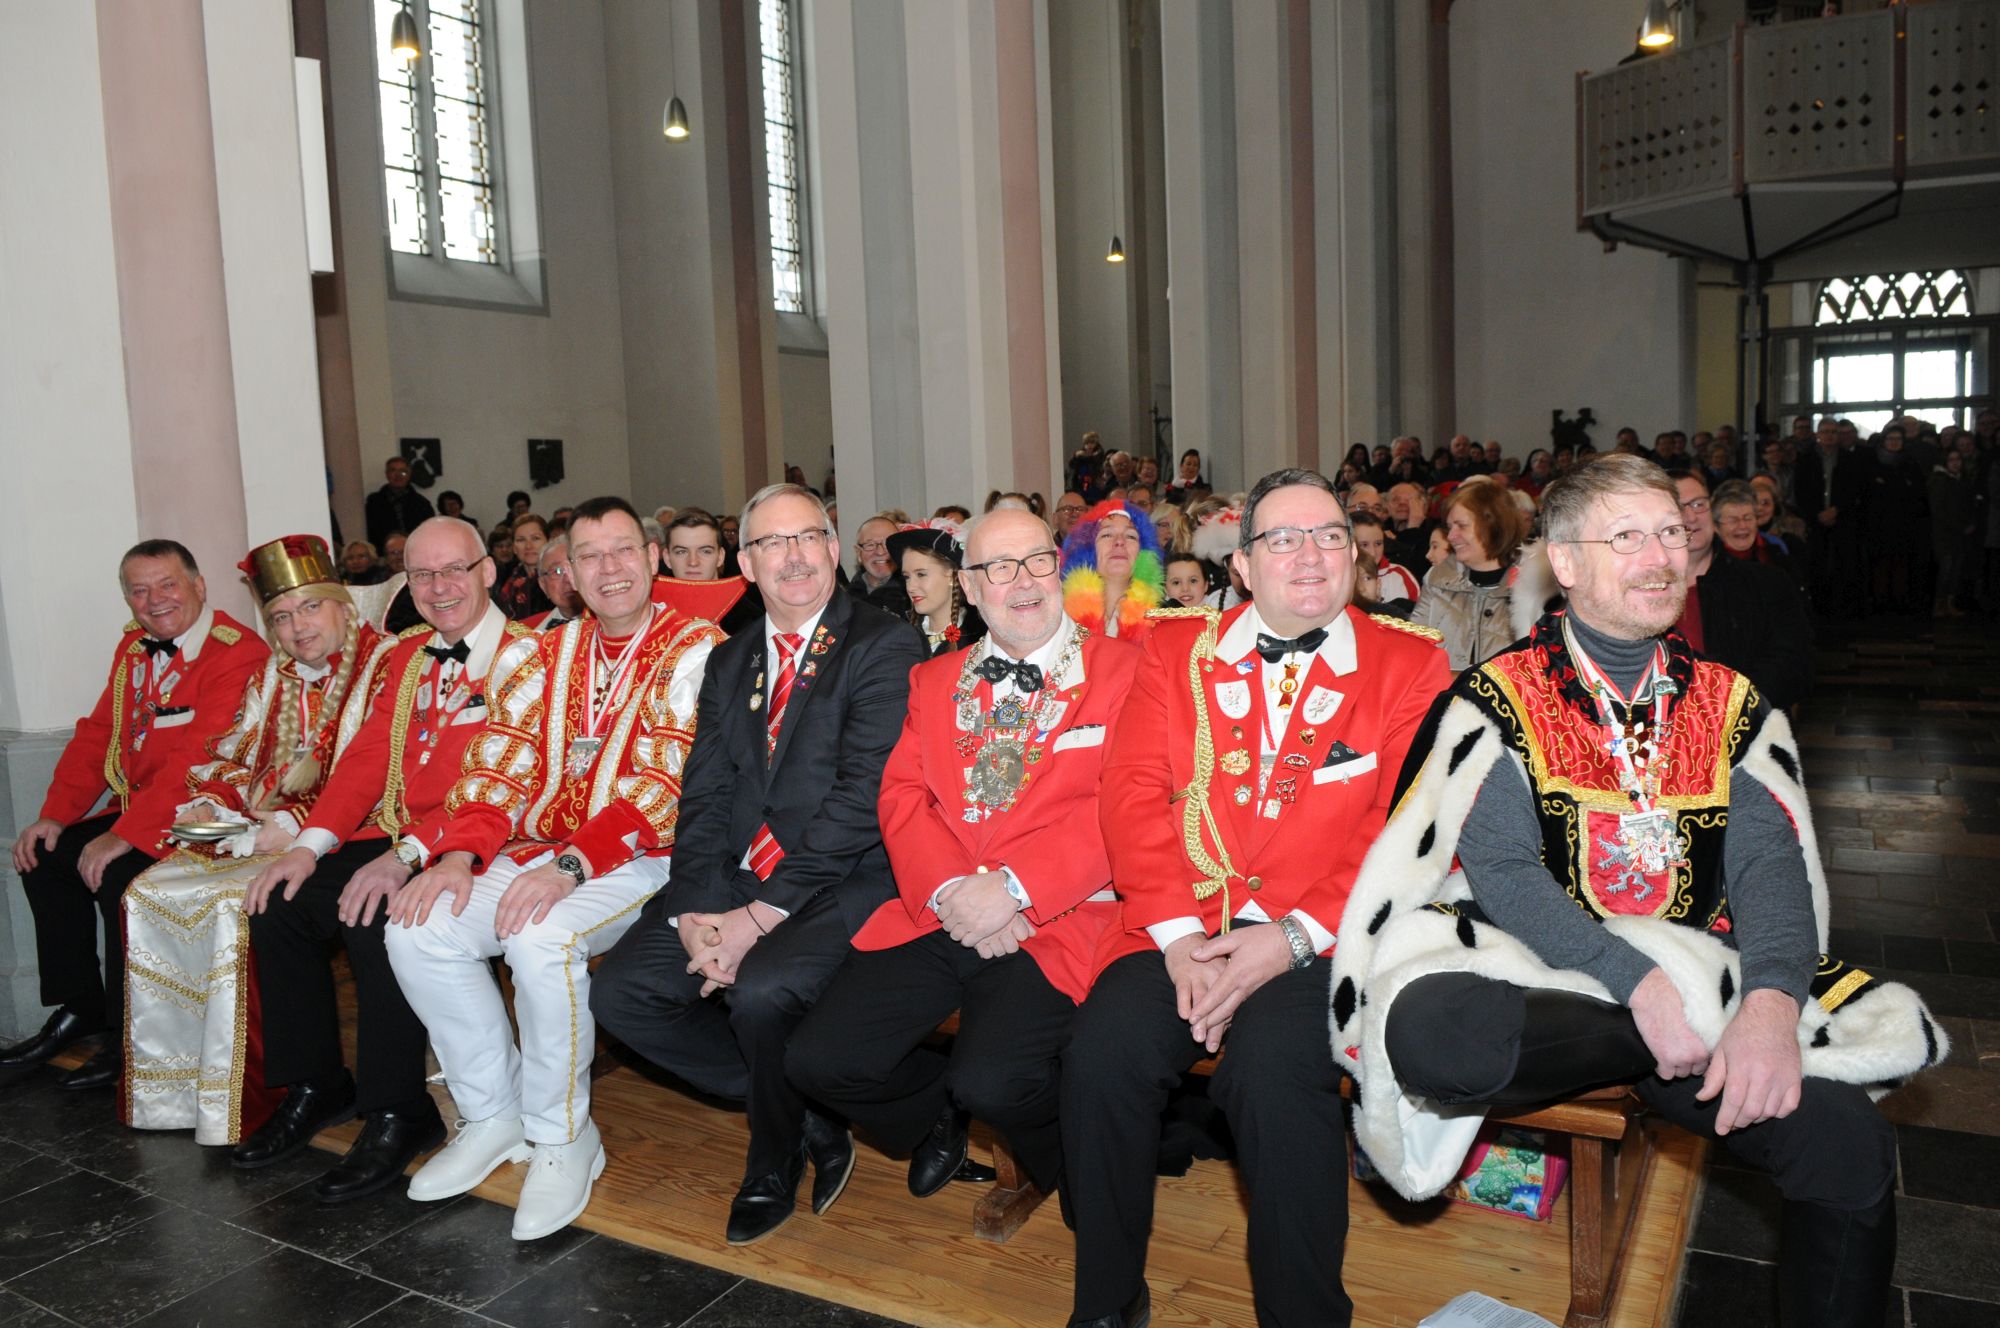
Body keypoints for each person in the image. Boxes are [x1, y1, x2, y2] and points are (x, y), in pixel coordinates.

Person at [1331, 455, 1943, 1328]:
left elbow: (1772, 869)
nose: (1661, 555)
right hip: (1552, 976)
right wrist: (1641, 988)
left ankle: (1681, 1030)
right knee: (1432, 1038)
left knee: (1850, 1144)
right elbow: (1505, 875)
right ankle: (1652, 1032)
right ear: (1567, 562)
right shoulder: (1500, 697)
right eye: (1628, 537)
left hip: (1702, 968)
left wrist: (1769, 1005)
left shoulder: (1732, 704)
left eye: (1669, 532)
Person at [1062, 468, 1452, 1328]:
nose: (1309, 555)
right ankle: (1107, 1301)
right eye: (1282, 538)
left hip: (1329, 937)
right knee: (1101, 1058)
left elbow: (1408, 827)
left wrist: (1290, 939)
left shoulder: (1411, 665)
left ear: (1354, 556)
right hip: (1181, 922)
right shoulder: (1173, 651)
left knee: (1272, 1079)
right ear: (1242, 566)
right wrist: (1172, 938)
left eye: (1328, 537)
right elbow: (1130, 792)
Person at [589, 483, 926, 1246]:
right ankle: (802, 1109)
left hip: (847, 876)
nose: (794, 556)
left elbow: (861, 799)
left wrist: (756, 918)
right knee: (623, 995)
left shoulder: (883, 644)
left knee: (761, 994)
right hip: (743, 874)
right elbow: (704, 792)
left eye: (808, 537)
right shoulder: (729, 657)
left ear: (834, 551)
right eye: (772, 544)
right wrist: (698, 911)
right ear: (745, 564)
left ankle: (769, 1158)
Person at [383, 497, 720, 1240]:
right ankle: (491, 1117)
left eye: (623, 550)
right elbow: (498, 761)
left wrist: (571, 865)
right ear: (566, 573)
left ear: (653, 559)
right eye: (590, 556)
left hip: (646, 860)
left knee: (542, 940)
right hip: (536, 854)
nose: (609, 569)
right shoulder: (544, 651)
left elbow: (667, 782)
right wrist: (459, 855)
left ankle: (564, 1137)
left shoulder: (698, 647)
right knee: (417, 927)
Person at [788, 508, 1140, 1208]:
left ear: (1062, 568)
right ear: (970, 588)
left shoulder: (1129, 671)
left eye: (1037, 560)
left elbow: (1130, 810)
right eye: (998, 568)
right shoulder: (933, 679)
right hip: (941, 909)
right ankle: (935, 1117)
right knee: (819, 1062)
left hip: (1058, 917)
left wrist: (1015, 888)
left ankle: (1069, 1161)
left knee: (995, 1083)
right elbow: (902, 797)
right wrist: (954, 888)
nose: (1023, 581)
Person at [236, 516, 526, 1201]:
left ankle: (401, 1109)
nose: (438, 587)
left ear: (487, 571)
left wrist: (406, 856)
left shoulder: (528, 656)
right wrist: (310, 847)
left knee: (375, 921)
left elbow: (511, 780)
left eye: (454, 569)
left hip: (476, 843)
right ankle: (317, 1083)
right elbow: (366, 758)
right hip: (395, 835)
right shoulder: (406, 654)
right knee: (280, 904)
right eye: (422, 574)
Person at [123, 536, 393, 1142]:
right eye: (280, 617)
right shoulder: (278, 675)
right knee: (152, 891)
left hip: (369, 833)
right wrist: (212, 804)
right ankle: (191, 1086)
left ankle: (279, 1083)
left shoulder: (388, 662)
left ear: (341, 606)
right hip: (270, 831)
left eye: (309, 609)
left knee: (263, 906)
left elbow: (383, 772)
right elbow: (235, 751)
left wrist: (298, 826)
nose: (296, 629)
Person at [5, 542, 269, 1090]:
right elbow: (98, 735)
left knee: (117, 877)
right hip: (145, 807)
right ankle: (83, 1009)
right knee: (47, 857)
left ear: (198, 587)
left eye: (167, 584)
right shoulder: (133, 649)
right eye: (139, 590)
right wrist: (55, 815)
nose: (154, 600)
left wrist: (123, 836)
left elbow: (199, 758)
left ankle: (132, 1036)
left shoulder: (235, 652)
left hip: (213, 810)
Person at [1671, 470, 1814, 712]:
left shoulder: (1768, 583)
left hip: (1747, 735)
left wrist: (1727, 707)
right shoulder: (1635, 593)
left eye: (1698, 504)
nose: (1691, 516)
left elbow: (1793, 667)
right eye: (1677, 506)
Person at [1414, 481, 1526, 672]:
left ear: (1493, 526)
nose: (1451, 536)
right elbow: (1414, 650)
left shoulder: (1535, 590)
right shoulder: (1437, 579)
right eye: (1450, 527)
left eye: (1461, 526)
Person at [1058, 499, 1165, 643]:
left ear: (1144, 553)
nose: (1119, 541)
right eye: (1107, 535)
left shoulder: (1163, 619)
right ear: (1087, 549)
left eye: (1130, 536)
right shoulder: (1060, 618)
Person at [656, 508, 760, 635]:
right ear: (667, 558)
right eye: (681, 552)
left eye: (705, 551)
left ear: (720, 557)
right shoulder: (652, 615)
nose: (693, 562)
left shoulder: (749, 621)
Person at [889, 521, 985, 656]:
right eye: (906, 577)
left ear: (952, 575)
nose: (910, 587)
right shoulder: (897, 637)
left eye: (921, 574)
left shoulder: (980, 637)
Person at [364, 456, 436, 551]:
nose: (398, 475)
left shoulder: (422, 503)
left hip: (416, 553)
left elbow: (430, 533)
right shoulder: (374, 502)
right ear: (387, 474)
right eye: (393, 471)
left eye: (403, 471)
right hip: (383, 555)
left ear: (409, 475)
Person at [493, 515, 554, 621]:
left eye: (535, 538)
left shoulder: (559, 576)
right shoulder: (504, 581)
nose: (528, 546)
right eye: (521, 540)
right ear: (514, 548)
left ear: (548, 542)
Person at [531, 533, 584, 631]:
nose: (568, 580)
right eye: (557, 571)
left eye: (573, 568)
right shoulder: (530, 633)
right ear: (543, 585)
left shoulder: (615, 624)